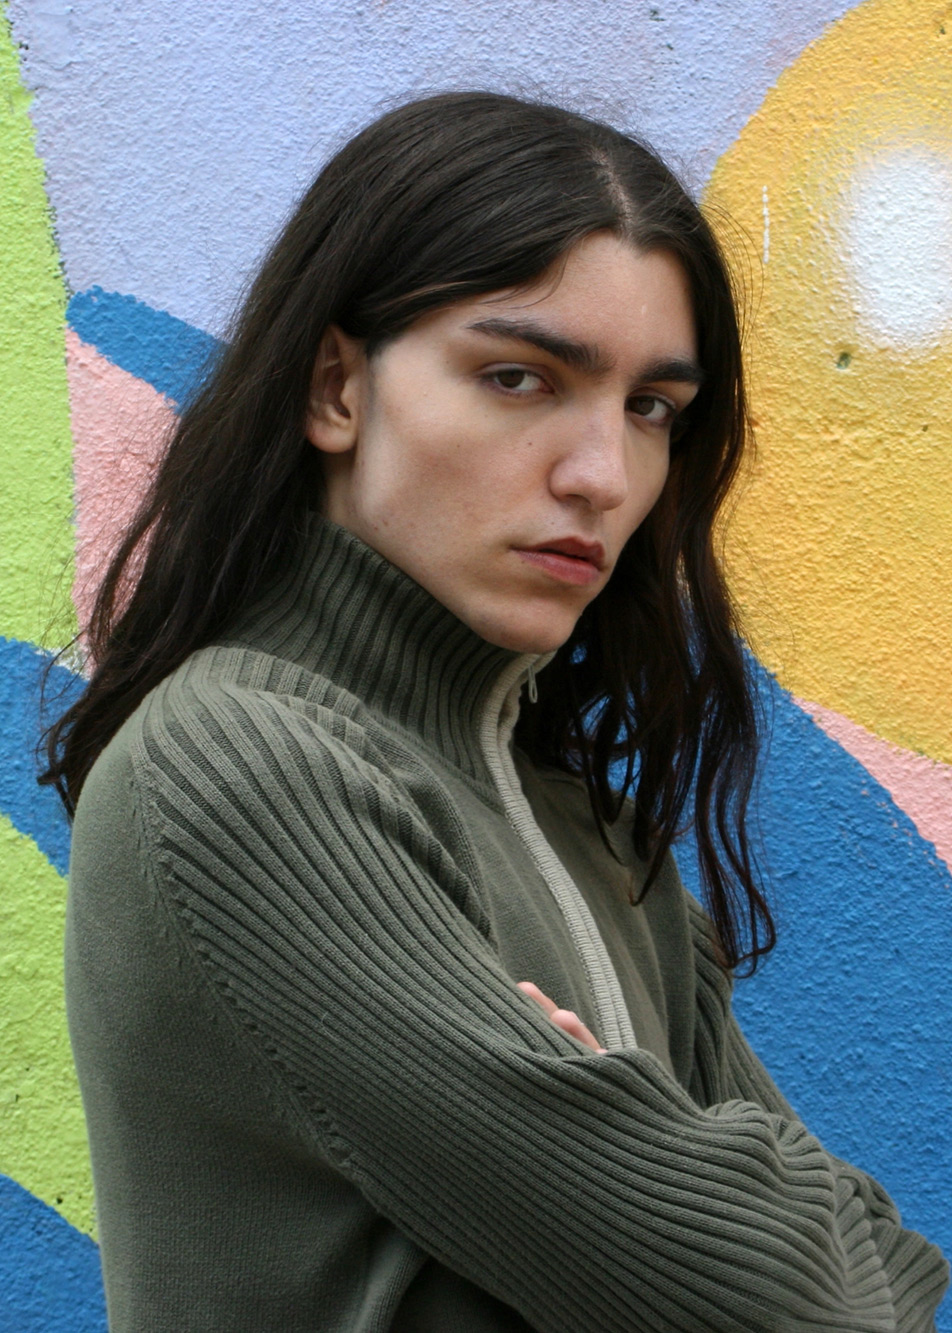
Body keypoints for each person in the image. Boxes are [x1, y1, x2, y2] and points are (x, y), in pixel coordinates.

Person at [44, 91, 948, 1331]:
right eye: (520, 378)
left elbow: (882, 1281)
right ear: (335, 389)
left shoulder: (606, 845)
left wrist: (620, 1137)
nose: (602, 474)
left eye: (651, 408)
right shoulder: (238, 767)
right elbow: (778, 1302)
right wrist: (693, 1168)